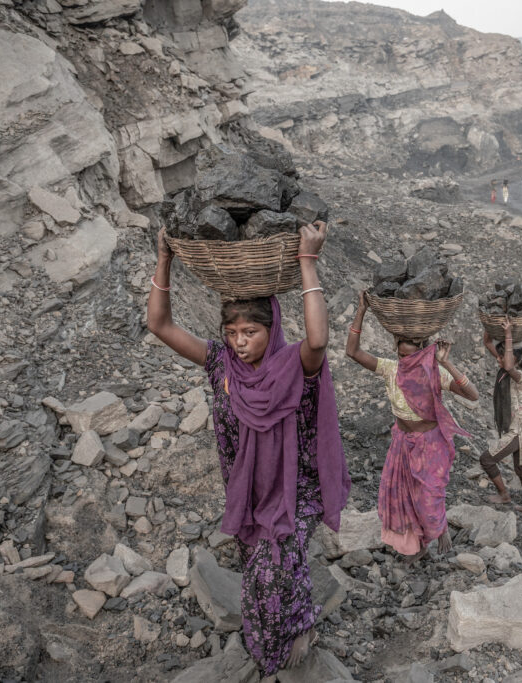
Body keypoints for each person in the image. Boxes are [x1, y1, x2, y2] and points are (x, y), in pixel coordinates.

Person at [146, 221, 351, 676]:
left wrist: (307, 262)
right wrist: (165, 259)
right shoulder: (220, 362)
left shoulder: (295, 363)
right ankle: (278, 636)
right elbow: (158, 324)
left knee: (271, 569)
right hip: (248, 490)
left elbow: (319, 338)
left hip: (297, 490)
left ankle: (297, 630)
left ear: (271, 326)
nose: (240, 343)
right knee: (267, 567)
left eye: (250, 332)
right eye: (232, 331)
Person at [346, 293, 479, 563]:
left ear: (422, 353)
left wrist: (446, 363)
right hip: (402, 442)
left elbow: (472, 395)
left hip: (431, 444)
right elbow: (353, 352)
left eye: (411, 356)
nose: (405, 360)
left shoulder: (435, 374)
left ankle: (438, 529)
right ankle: (416, 548)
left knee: (428, 499)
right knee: (401, 497)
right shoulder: (390, 369)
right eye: (400, 354)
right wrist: (361, 310)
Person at [479, 320, 522, 514]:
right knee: (521, 467)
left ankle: (504, 494)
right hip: (521, 426)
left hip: (520, 429)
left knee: (487, 459)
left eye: (504, 356)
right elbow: (488, 342)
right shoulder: (506, 368)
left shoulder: (520, 376)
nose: (499, 360)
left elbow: (508, 364)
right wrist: (490, 324)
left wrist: (508, 334)